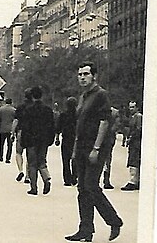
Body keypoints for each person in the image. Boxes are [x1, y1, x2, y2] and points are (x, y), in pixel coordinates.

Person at [65, 61, 123, 242]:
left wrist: (96, 148)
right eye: (80, 74)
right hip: (82, 147)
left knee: (91, 186)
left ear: (94, 76)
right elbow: (79, 126)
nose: (82, 77)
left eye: (86, 74)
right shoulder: (83, 97)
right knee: (82, 189)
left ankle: (114, 221)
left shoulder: (100, 95)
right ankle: (85, 230)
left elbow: (104, 122)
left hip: (95, 148)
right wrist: (75, 150)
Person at [20, 86, 54, 196]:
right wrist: (50, 139)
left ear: (32, 96)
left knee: (32, 164)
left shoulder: (28, 110)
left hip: (31, 141)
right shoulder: (48, 110)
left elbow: (25, 127)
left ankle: (33, 188)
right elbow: (51, 126)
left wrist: (23, 141)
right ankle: (46, 179)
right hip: (43, 140)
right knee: (42, 162)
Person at [55, 97, 78, 186]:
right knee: (75, 158)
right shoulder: (78, 115)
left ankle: (67, 179)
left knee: (65, 160)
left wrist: (57, 138)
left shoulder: (63, 115)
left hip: (66, 139)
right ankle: (74, 177)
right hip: (76, 139)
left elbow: (58, 128)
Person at [12, 88, 32, 183]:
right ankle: (28, 176)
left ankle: (20, 170)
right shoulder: (34, 106)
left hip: (21, 131)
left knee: (18, 152)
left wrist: (12, 133)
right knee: (29, 154)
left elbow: (16, 121)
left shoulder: (20, 107)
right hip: (32, 133)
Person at [121, 101, 142, 191]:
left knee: (134, 161)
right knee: (132, 160)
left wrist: (131, 137)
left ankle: (133, 181)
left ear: (137, 108)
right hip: (133, 143)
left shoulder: (138, 116)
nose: (131, 109)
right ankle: (135, 180)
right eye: (130, 107)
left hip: (136, 142)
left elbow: (138, 129)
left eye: (133, 107)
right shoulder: (132, 117)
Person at [102, 106, 122, 189]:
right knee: (107, 160)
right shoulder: (115, 112)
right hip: (109, 138)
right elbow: (117, 124)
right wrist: (110, 131)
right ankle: (106, 181)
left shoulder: (96, 108)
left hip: (97, 137)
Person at [0, 98, 16, 163]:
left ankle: (0, 156)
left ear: (5, 102)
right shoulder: (14, 110)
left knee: (1, 144)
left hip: (2, 129)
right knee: (9, 145)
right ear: (11, 102)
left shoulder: (1, 109)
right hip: (10, 129)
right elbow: (15, 121)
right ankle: (8, 158)